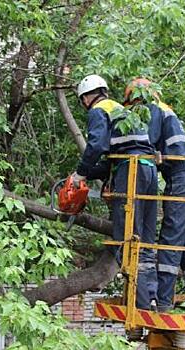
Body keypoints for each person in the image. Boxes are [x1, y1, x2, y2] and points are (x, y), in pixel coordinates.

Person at [71, 74, 158, 309]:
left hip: (130, 171)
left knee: (126, 235)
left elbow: (96, 145)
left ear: (87, 97)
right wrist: (86, 174)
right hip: (148, 170)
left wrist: (79, 173)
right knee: (146, 239)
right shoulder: (121, 110)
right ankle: (151, 297)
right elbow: (109, 162)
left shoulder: (98, 110)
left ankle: (139, 305)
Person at [123, 77, 185, 312]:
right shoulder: (164, 108)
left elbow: (145, 144)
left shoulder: (153, 109)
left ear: (137, 97)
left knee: (170, 240)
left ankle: (163, 302)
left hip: (181, 178)